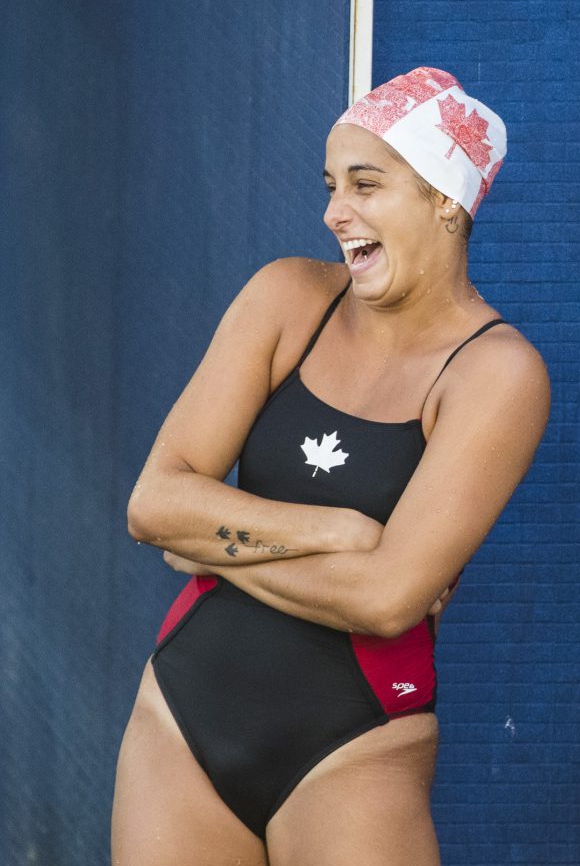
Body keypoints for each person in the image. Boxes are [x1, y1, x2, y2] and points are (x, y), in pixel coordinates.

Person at [111, 67, 550, 865]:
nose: (333, 211)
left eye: (365, 184)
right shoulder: (287, 299)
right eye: (331, 185)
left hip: (354, 745)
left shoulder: (496, 375)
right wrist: (340, 531)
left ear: (444, 200)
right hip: (181, 718)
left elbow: (385, 602)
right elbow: (153, 504)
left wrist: (206, 547)